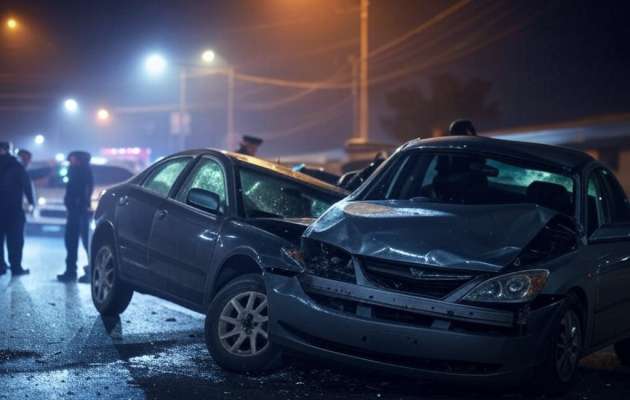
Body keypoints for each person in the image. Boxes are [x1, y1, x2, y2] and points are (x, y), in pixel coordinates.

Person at [58, 151, 93, 283]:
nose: (70, 161)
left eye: (72, 159)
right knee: (72, 242)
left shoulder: (82, 171)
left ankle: (89, 272)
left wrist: (79, 204)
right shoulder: (75, 170)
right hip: (75, 211)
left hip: (79, 211)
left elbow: (85, 191)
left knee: (83, 241)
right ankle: (71, 270)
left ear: (79, 160)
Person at [0, 141, 34, 276]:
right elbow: (26, 185)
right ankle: (16, 267)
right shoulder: (16, 165)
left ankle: (1, 266)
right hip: (13, 210)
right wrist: (31, 202)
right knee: (15, 241)